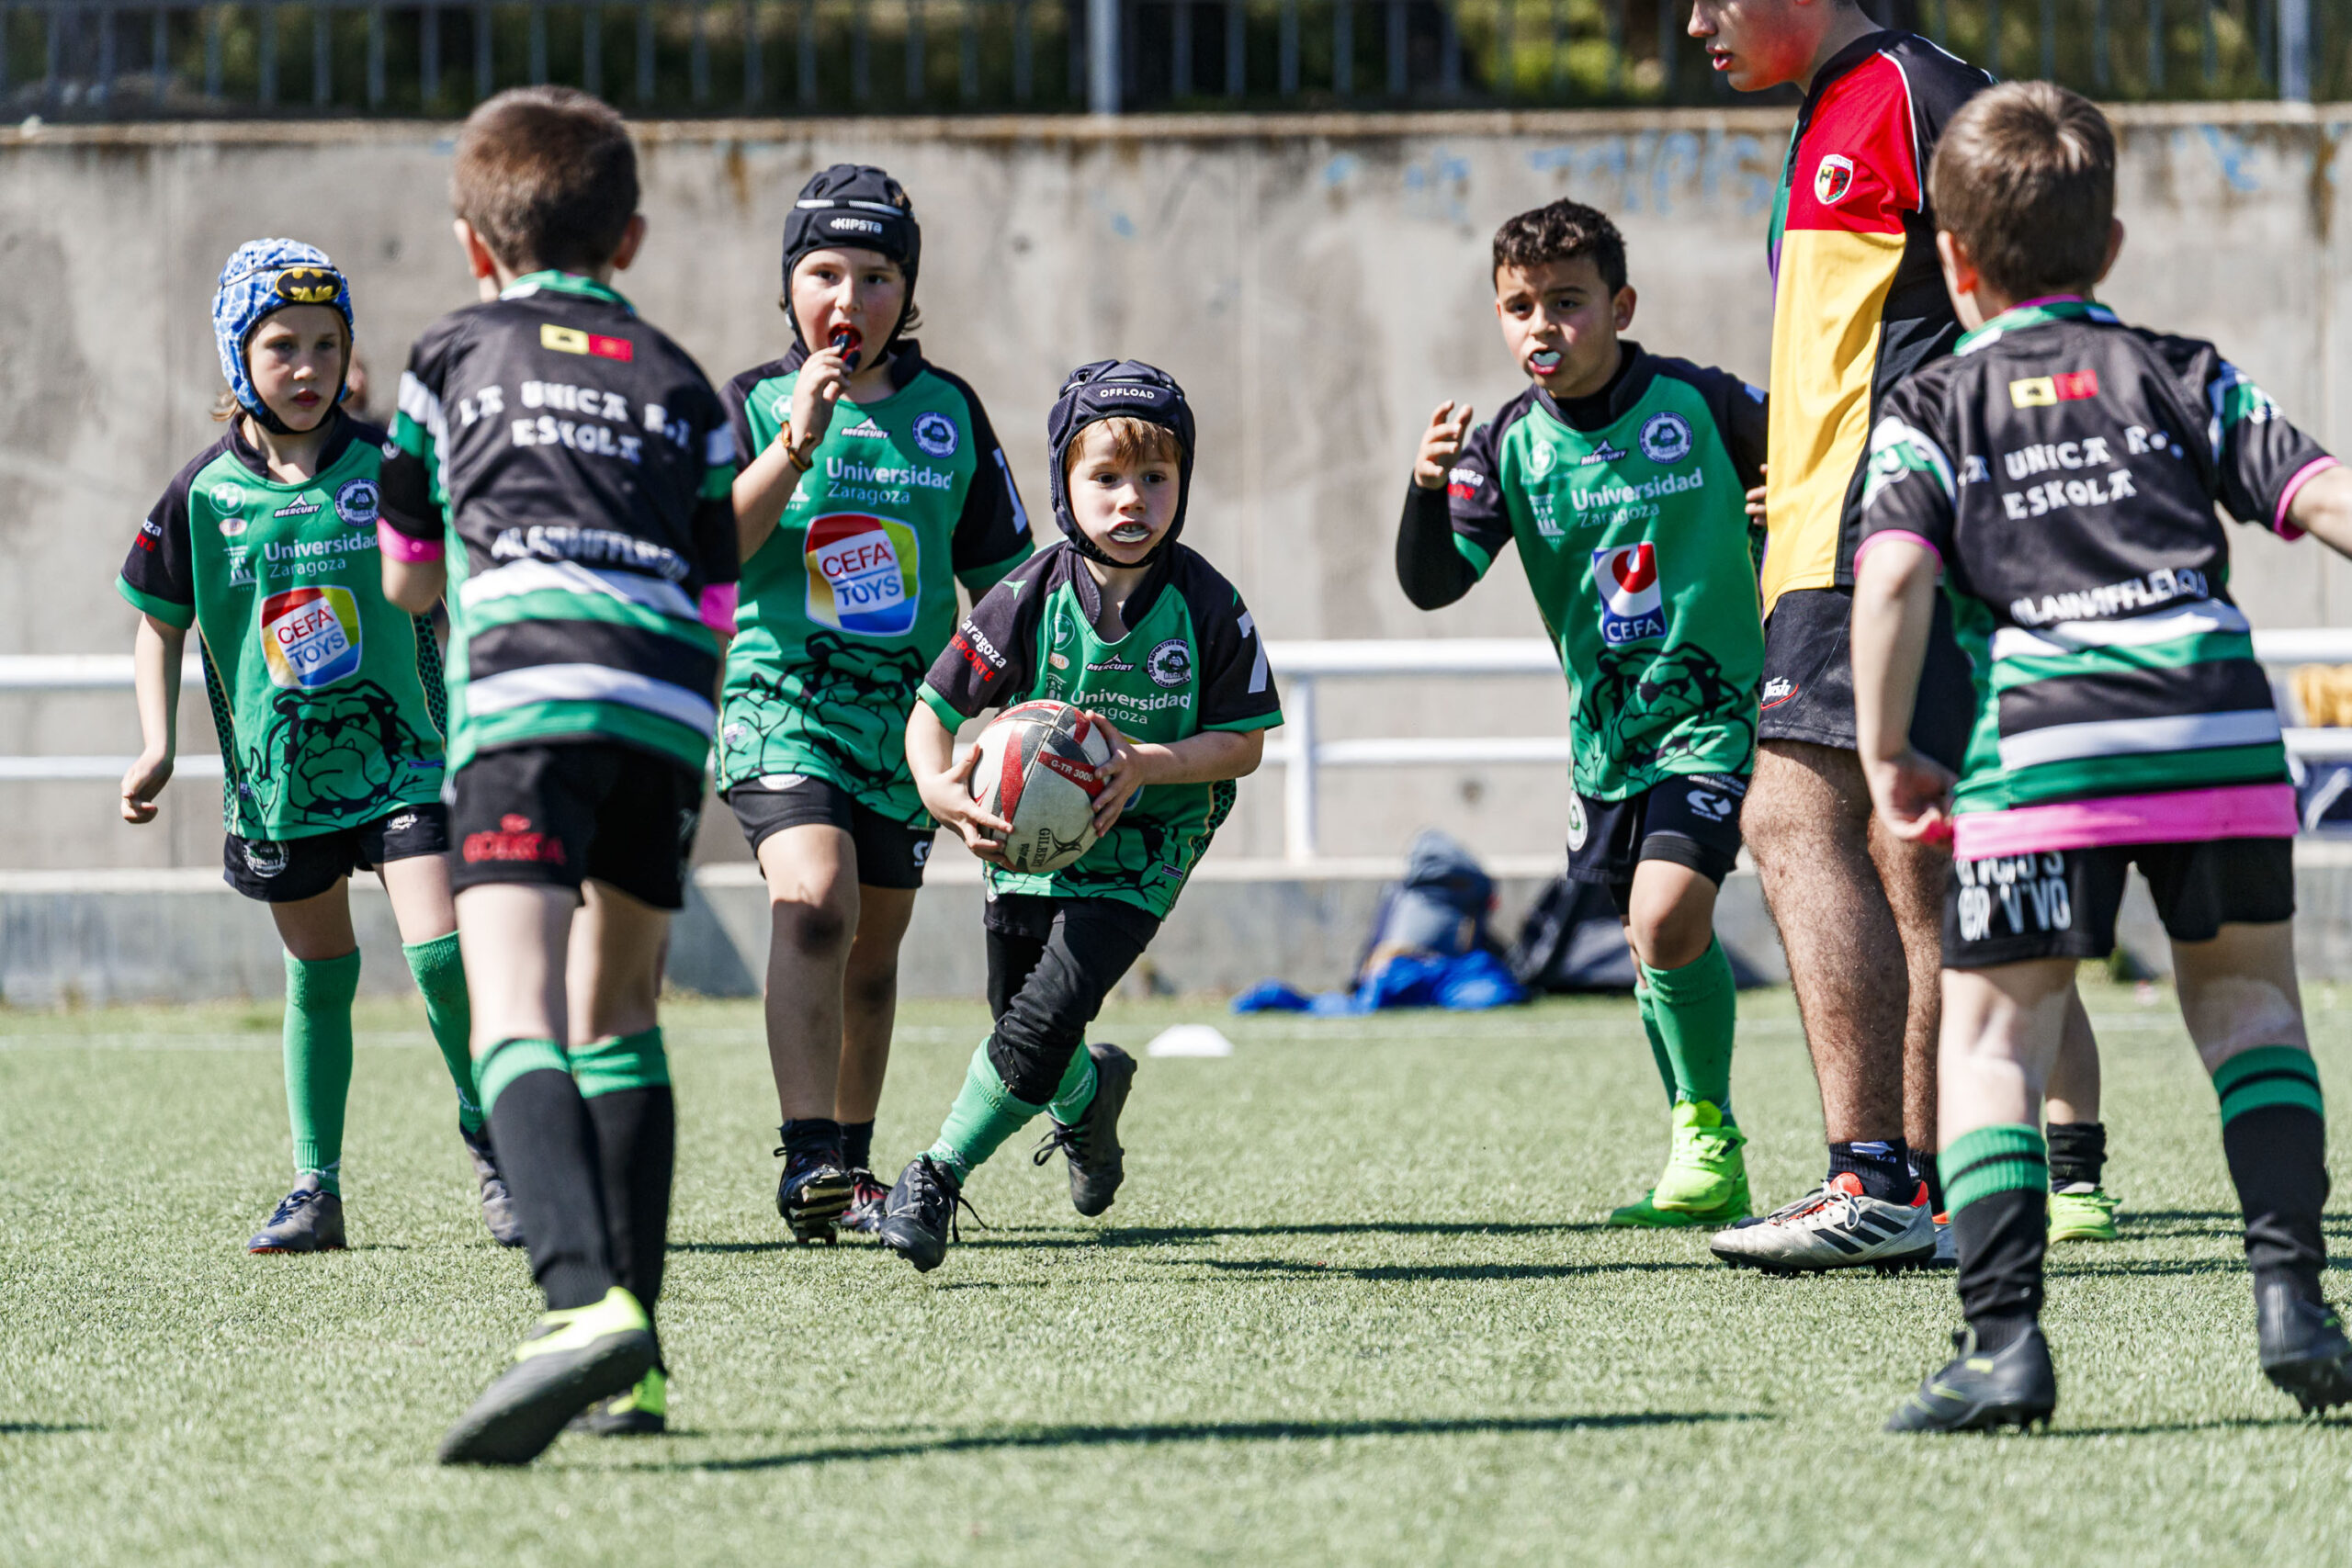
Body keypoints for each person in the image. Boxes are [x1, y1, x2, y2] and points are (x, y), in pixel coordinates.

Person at [1853, 82, 2352, 1429]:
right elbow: (2321, 495)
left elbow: (1891, 578)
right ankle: (2295, 1304)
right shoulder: (2184, 370)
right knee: (2250, 1008)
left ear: (1953, 259)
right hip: (2215, 725)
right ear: (2112, 246)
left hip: (2044, 741)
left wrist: (1888, 750)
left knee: (1994, 1032)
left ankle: (2003, 1345)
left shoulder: (1931, 401)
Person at [376, 87, 740, 1463]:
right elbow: (719, 592)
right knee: (623, 1011)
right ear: (629, 239)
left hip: (527, 697)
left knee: (514, 1008)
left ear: (475, 244)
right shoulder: (684, 380)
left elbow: (409, 573)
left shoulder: (449, 351)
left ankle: (581, 1301)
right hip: (665, 704)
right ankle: (632, 1372)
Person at [117, 240, 503, 1256]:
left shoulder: (392, 468)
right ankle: (314, 1188)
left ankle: (495, 1140)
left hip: (409, 760)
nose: (307, 367)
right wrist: (156, 746)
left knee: (441, 953)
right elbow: (158, 623)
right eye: (281, 346)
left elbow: (461, 585)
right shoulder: (202, 495)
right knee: (320, 974)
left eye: (327, 345)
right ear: (235, 358)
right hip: (279, 787)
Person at [1688, 0, 1993, 1271]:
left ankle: (1871, 1177)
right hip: (1838, 520)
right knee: (1901, 848)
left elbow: (2014, 305)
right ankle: (1934, 1185)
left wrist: (1901, 479)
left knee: (1788, 817)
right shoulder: (1846, 98)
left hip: (1868, 529)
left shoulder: (1917, 93)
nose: (1694, 23)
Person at [1398, 199, 1768, 1229]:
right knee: (1648, 943)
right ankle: (1706, 1149)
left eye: (1567, 302)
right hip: (1608, 743)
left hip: (1717, 714)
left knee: (1665, 914)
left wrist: (1780, 510)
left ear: (1620, 306)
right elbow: (1434, 584)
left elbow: (1815, 468)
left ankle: (1708, 1132)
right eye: (1520, 307)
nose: (1542, 326)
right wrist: (1424, 490)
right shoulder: (1508, 443)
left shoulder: (1698, 402)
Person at [876, 361, 1281, 1272]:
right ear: (1063, 484)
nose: (1131, 499)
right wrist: (938, 789)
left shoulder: (1209, 603)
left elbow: (1244, 743)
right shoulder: (1027, 594)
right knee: (1020, 1019)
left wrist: (1144, 766)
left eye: (1154, 477)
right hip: (1026, 846)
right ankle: (1089, 1102)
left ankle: (934, 1174)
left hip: (1148, 845)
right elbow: (930, 711)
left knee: (1045, 1014)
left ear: (1183, 483)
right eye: (1105, 477)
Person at [718, 164, 1034, 1245]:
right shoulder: (751, 404)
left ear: (909, 291)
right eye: (824, 273)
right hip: (779, 705)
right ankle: (806, 1148)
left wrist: (1004, 719)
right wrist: (795, 441)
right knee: (815, 902)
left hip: (907, 730)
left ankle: (846, 1174)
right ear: (787, 286)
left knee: (871, 952)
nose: (848, 299)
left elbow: (1006, 585)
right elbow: (711, 551)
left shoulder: (949, 414)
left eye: (876, 276)